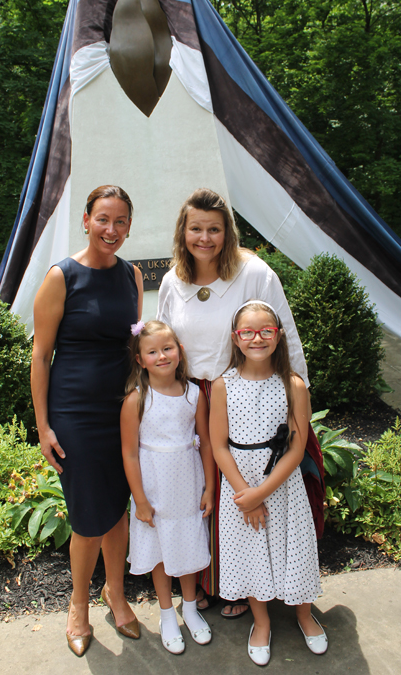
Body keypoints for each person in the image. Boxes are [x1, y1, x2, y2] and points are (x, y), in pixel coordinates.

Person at [156, 188, 310, 618]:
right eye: (196, 229)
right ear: (182, 232)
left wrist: (298, 399)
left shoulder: (254, 273)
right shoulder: (173, 280)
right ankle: (199, 581)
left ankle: (245, 587)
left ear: (228, 232)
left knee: (238, 490)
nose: (204, 238)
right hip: (191, 397)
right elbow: (164, 341)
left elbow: (285, 334)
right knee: (196, 491)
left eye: (214, 229)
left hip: (246, 395)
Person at [31, 185, 143, 657]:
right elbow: (40, 356)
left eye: (120, 222)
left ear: (129, 226)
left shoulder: (133, 276)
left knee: (118, 508)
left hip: (120, 408)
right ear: (86, 220)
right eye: (103, 219)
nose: (111, 230)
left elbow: (132, 345)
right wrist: (44, 427)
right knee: (87, 517)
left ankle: (115, 592)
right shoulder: (62, 276)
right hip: (75, 412)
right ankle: (78, 604)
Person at [210, 300, 327, 666]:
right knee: (251, 552)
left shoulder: (293, 385)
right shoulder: (222, 386)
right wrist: (246, 494)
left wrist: (261, 493)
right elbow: (218, 445)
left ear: (278, 336)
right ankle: (261, 622)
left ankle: (305, 614)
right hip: (239, 484)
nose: (257, 338)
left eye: (266, 331)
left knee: (295, 548)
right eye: (248, 331)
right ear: (236, 338)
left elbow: (295, 449)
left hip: (282, 485)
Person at [121, 320, 215, 655]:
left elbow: (204, 443)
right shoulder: (137, 399)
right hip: (154, 485)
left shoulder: (193, 394)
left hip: (188, 483)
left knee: (187, 543)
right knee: (161, 549)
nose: (162, 356)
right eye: (152, 351)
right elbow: (130, 453)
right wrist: (140, 500)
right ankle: (166, 613)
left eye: (167, 348)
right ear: (139, 359)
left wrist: (208, 488)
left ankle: (189, 608)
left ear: (180, 351)